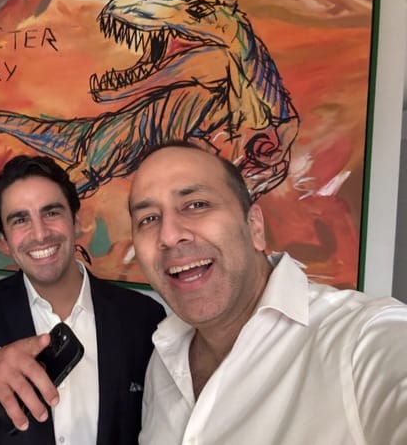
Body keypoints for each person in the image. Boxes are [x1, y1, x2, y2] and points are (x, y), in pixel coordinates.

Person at [128, 140, 407, 444]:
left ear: (255, 227)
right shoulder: (163, 356)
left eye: (196, 205)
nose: (169, 236)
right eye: (148, 219)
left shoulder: (360, 338)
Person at [0, 155, 166, 445]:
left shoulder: (143, 317)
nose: (40, 233)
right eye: (20, 220)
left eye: (51, 213)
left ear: (76, 221)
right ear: (5, 242)